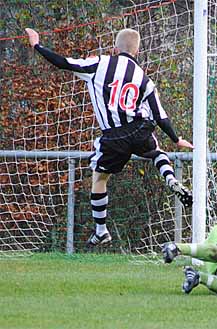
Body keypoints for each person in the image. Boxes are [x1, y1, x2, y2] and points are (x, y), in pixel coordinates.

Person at [25, 28, 194, 246]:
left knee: (99, 178)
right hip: (140, 127)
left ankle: (101, 230)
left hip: (114, 136)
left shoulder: (100, 64)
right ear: (137, 50)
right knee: (156, 152)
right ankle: (170, 177)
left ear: (115, 48)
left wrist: (37, 45)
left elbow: (64, 62)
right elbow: (160, 114)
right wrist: (176, 139)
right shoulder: (144, 78)